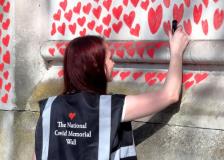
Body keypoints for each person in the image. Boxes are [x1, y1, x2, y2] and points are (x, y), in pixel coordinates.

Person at [34, 26, 189, 160]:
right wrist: (176, 52)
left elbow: (38, 155)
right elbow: (170, 95)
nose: (113, 63)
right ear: (95, 65)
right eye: (109, 58)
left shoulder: (49, 107)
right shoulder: (109, 107)